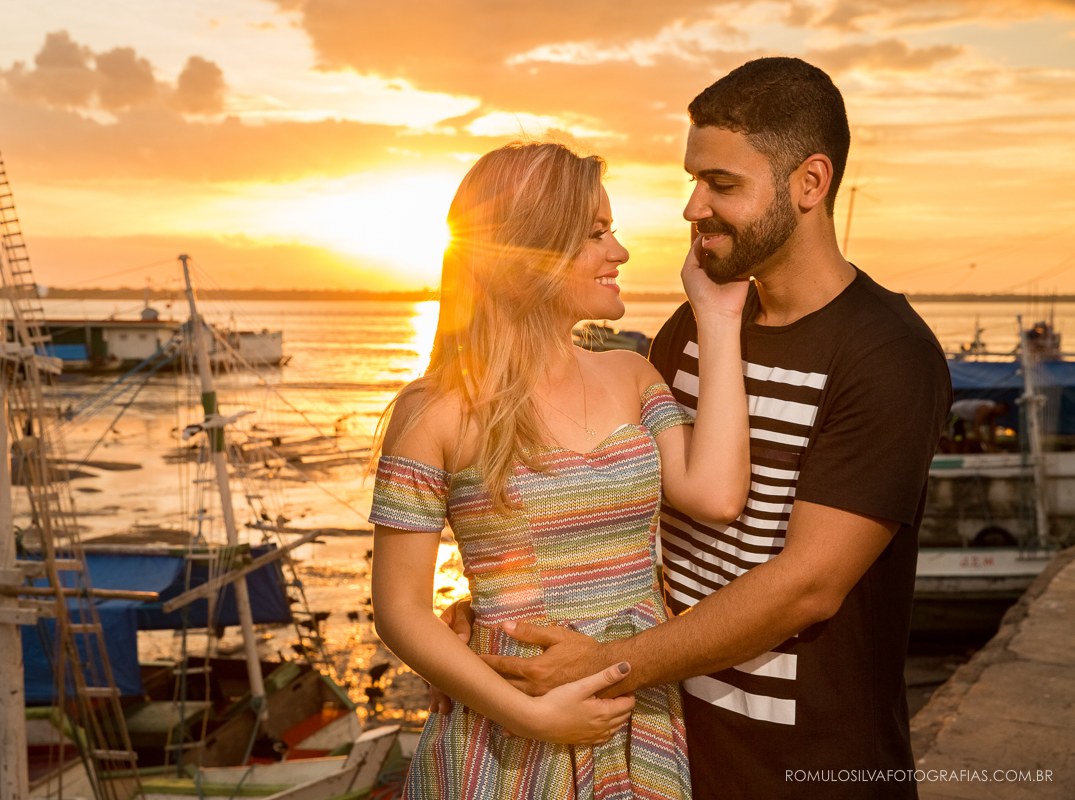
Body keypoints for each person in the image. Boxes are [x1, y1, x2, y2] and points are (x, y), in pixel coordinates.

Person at [434, 58, 953, 799]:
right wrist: (511, 607)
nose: (692, 208)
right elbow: (628, 506)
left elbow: (807, 587)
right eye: (693, 179)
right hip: (667, 746)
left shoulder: (888, 356)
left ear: (811, 184)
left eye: (723, 184)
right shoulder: (692, 331)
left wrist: (606, 663)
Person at [368, 141, 752, 798]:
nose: (621, 252)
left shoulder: (632, 375)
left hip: (637, 705)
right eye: (597, 233)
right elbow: (400, 609)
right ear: (530, 258)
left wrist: (719, 316)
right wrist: (533, 715)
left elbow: (715, 495)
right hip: (511, 720)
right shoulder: (435, 412)